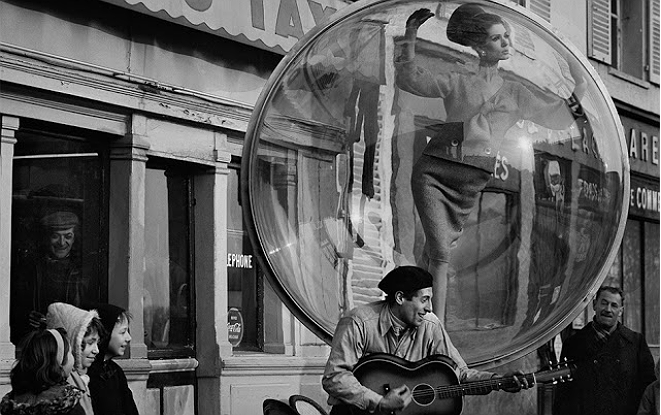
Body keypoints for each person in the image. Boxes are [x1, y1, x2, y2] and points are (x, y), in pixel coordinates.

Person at [395, 4, 586, 321]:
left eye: (507, 36)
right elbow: (411, 79)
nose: (507, 43)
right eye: (498, 38)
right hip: (434, 172)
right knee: (440, 253)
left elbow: (558, 117)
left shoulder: (516, 93)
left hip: (469, 182)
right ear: (481, 47)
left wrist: (579, 84)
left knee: (434, 252)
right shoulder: (459, 81)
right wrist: (410, 35)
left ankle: (418, 317)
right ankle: (436, 328)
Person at [322, 266, 529, 415]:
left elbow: (460, 374)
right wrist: (379, 402)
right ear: (400, 298)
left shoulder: (430, 325)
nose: (429, 308)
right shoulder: (358, 322)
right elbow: (335, 376)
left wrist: (498, 380)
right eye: (424, 300)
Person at [553, 286, 656, 415]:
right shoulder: (573, 344)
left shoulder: (636, 343)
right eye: (604, 303)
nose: (608, 309)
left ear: (621, 311)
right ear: (594, 305)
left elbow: (649, 391)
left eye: (614, 305)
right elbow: (563, 396)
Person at [10, 211, 88, 343]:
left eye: (68, 236)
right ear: (46, 238)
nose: (62, 243)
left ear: (74, 238)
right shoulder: (31, 269)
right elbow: (15, 305)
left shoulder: (81, 270)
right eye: (55, 236)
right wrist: (27, 316)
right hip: (37, 341)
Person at [1, 328, 85, 415]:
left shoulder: (14, 402)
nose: (73, 357)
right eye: (70, 352)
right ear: (59, 361)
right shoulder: (67, 401)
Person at [47, 302, 105, 415]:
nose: (96, 350)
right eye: (90, 342)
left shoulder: (81, 379)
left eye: (97, 343)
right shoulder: (63, 387)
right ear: (73, 342)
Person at [87, 303, 139, 415]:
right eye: (122, 332)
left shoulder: (116, 371)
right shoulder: (87, 373)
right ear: (106, 333)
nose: (128, 338)